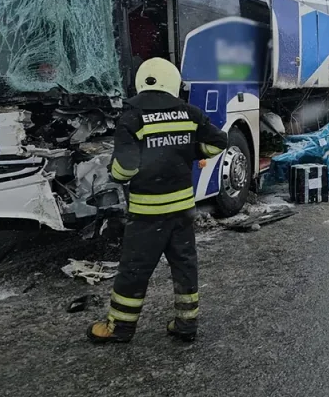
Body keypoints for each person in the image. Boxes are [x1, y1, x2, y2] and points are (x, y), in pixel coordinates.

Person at [88, 58, 228, 343]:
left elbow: (124, 169)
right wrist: (189, 151)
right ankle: (186, 324)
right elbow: (219, 142)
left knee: (134, 270)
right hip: (182, 211)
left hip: (147, 214)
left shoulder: (131, 118)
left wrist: (114, 172)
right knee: (185, 266)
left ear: (142, 82)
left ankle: (120, 328)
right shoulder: (190, 113)